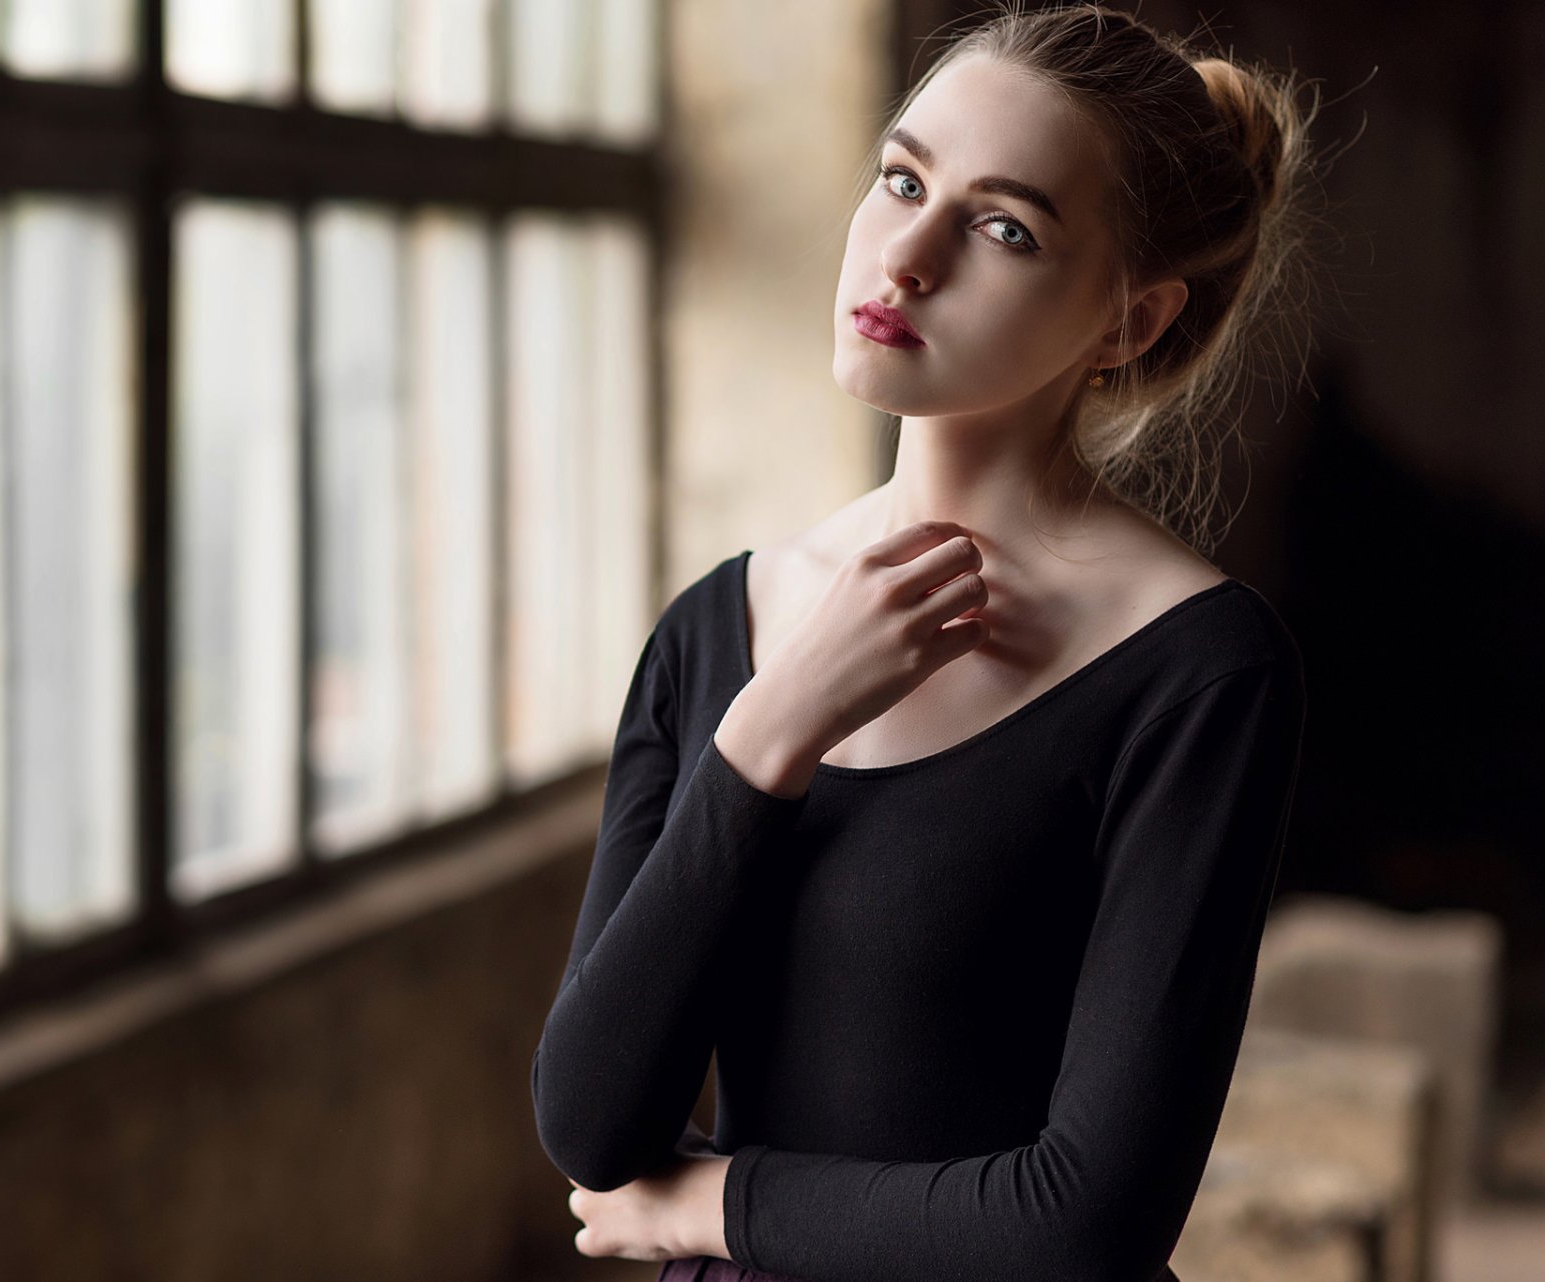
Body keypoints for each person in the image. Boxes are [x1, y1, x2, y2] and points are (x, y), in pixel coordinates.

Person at [532, 4, 1328, 1281]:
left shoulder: (1200, 671)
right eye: (902, 179)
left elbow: (1086, 1219)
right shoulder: (719, 628)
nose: (903, 255)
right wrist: (771, 732)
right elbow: (589, 1122)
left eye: (1003, 227)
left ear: (1129, 322)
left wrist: (705, 1208)